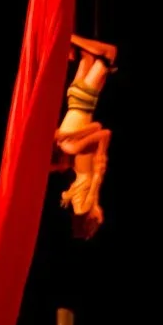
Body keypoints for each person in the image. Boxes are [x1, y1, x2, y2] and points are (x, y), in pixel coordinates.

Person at [52, 37, 117, 239]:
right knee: (88, 56)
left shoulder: (72, 148)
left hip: (83, 99)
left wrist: (97, 183)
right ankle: (69, 42)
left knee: (109, 53)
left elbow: (104, 132)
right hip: (76, 97)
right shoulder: (71, 151)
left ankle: (67, 36)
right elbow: (97, 127)